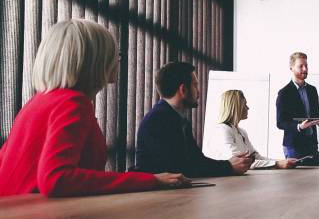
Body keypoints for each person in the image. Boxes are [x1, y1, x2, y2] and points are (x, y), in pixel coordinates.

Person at [0, 19, 190, 197]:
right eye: (115, 54)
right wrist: (151, 180)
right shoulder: (73, 103)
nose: (118, 61)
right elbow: (56, 178)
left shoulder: (38, 102)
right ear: (97, 60)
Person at [135, 62, 253, 177]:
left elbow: (196, 160)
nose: (199, 91)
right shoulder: (159, 120)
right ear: (183, 90)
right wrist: (228, 166)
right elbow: (184, 168)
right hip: (156, 195)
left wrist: (229, 165)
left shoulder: (176, 118)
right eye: (195, 85)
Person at [206, 90, 297, 169]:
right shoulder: (222, 130)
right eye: (245, 104)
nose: (248, 108)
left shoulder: (241, 131)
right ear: (236, 107)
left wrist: (283, 161)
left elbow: (256, 157)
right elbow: (241, 162)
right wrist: (277, 164)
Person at [276, 52, 319, 166]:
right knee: (296, 182)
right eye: (301, 66)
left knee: (317, 180)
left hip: (311, 144)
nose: (305, 69)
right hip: (293, 146)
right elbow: (280, 122)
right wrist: (299, 126)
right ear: (291, 68)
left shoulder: (312, 90)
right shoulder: (284, 93)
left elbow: (314, 112)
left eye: (306, 66)